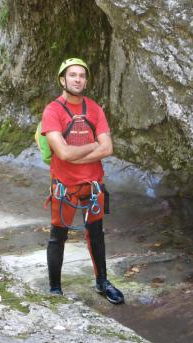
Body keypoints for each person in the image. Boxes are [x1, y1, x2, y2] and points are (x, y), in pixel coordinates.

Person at [40, 57, 124, 305]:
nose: (78, 79)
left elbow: (108, 148)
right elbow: (63, 153)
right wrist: (92, 147)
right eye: (72, 75)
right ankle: (55, 289)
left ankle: (102, 282)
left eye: (82, 75)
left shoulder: (95, 109)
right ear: (62, 79)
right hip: (64, 186)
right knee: (58, 235)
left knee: (96, 234)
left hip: (93, 184)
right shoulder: (52, 111)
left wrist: (76, 153)